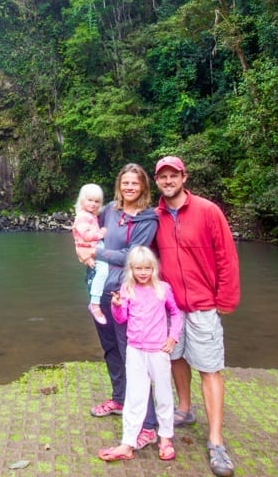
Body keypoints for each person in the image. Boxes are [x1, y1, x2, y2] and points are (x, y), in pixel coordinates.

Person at [153, 156, 241, 477]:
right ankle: (185, 410)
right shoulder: (156, 217)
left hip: (204, 304)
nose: (168, 180)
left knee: (209, 367)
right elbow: (142, 257)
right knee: (175, 357)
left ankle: (216, 441)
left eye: (173, 175)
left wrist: (225, 299)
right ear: (157, 181)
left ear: (184, 177)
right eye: (162, 176)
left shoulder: (207, 211)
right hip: (171, 306)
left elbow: (226, 256)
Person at [76, 162, 160, 450]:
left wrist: (97, 251)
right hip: (100, 291)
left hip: (127, 294)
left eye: (135, 183)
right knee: (111, 348)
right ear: (119, 185)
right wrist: (80, 249)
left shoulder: (148, 219)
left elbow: (133, 256)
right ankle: (120, 399)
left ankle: (148, 424)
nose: (129, 187)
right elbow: (84, 225)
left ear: (144, 187)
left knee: (134, 356)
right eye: (125, 183)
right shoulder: (109, 210)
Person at [98, 245, 182, 462]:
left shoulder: (163, 288)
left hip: (158, 350)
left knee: (163, 394)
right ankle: (128, 442)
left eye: (147, 268)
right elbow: (121, 319)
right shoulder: (127, 289)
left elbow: (176, 313)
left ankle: (165, 437)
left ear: (154, 268)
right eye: (138, 268)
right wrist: (116, 306)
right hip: (135, 349)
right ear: (131, 269)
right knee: (135, 396)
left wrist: (172, 337)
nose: (143, 273)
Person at [72, 183, 108, 324]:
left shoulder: (90, 215)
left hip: (92, 247)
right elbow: (86, 235)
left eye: (97, 201)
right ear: (82, 200)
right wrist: (101, 233)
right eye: (90, 200)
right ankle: (94, 303)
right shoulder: (82, 217)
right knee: (103, 271)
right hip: (89, 247)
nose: (93, 204)